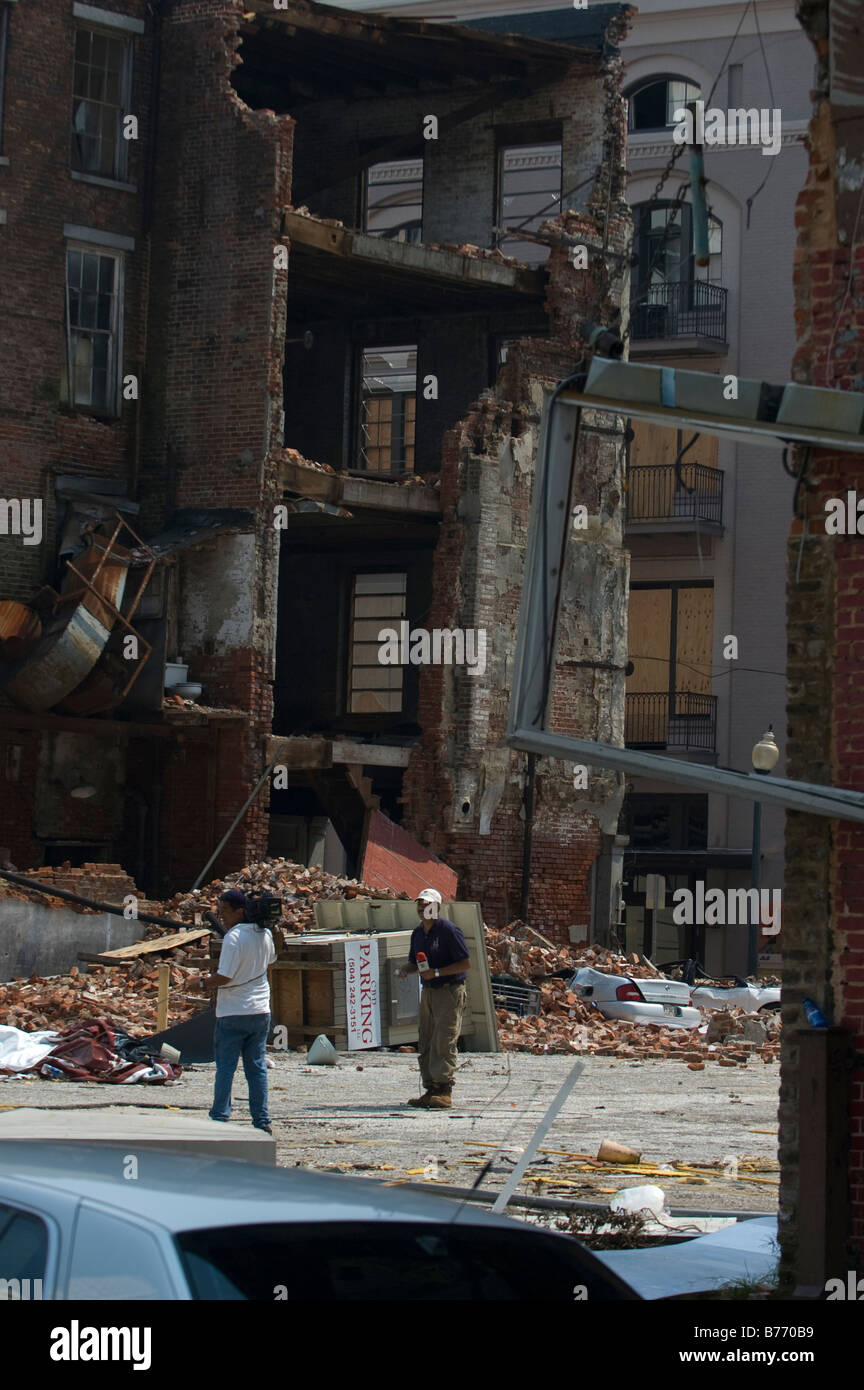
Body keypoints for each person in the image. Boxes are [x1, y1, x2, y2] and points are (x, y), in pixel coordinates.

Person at [204, 888, 276, 1134]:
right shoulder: (265, 934)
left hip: (233, 1012)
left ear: (240, 911)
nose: (222, 917)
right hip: (260, 1012)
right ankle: (261, 1120)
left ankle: (219, 1117)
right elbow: (271, 963)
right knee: (257, 1069)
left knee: (226, 1068)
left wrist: (201, 983)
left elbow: (224, 976)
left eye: (225, 911)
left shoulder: (234, 937)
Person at [395, 887, 470, 1110]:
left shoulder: (448, 931)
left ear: (436, 907)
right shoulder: (418, 934)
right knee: (427, 1038)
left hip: (449, 990)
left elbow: (465, 963)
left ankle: (444, 1089)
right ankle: (431, 1089)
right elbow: (414, 962)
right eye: (419, 904)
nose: (422, 908)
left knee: (444, 1039)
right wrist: (404, 970)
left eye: (426, 904)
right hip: (428, 991)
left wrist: (436, 973)